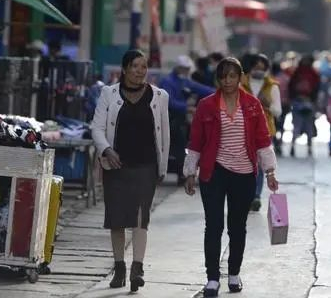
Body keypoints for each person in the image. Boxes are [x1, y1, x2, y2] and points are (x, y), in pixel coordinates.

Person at [183, 57, 279, 297]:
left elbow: (262, 139)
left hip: (244, 175)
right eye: (223, 76)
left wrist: (269, 171)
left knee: (237, 227)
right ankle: (212, 278)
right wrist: (190, 172)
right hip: (214, 172)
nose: (227, 81)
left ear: (240, 78)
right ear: (218, 79)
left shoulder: (252, 105)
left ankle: (234, 273)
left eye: (232, 76)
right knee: (213, 226)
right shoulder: (206, 105)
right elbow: (196, 141)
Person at [91, 50, 170, 292]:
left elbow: (165, 133)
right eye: (135, 66)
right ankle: (119, 267)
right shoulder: (108, 93)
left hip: (146, 165)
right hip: (116, 165)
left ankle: (137, 268)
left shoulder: (159, 96)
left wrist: (163, 167)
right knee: (117, 219)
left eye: (143, 66)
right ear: (124, 69)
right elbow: (97, 128)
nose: (140, 71)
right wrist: (107, 150)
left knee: (140, 218)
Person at [159, 55, 215, 186]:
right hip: (168, 120)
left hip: (180, 119)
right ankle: (182, 173)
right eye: (184, 68)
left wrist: (220, 92)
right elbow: (169, 102)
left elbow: (202, 89)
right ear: (178, 68)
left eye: (187, 69)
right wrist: (187, 108)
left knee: (184, 144)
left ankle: (183, 172)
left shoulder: (184, 81)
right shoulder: (168, 82)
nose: (186, 71)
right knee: (179, 145)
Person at [241, 54, 282, 212]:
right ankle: (245, 195)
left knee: (259, 164)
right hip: (242, 129)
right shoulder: (241, 83)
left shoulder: (272, 87)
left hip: (264, 130)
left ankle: (256, 196)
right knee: (245, 164)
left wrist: (267, 104)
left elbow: (278, 112)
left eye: (262, 67)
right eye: (256, 67)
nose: (259, 70)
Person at [288, 55, 320, 157]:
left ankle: (305, 147)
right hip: (301, 102)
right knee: (301, 126)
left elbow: (316, 88)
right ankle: (296, 147)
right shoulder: (303, 73)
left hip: (305, 102)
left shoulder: (303, 73)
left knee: (304, 126)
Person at [272, 61, 291, 155]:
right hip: (285, 104)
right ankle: (280, 141)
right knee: (282, 123)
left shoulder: (271, 79)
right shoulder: (286, 78)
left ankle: (276, 141)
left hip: (273, 105)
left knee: (273, 124)